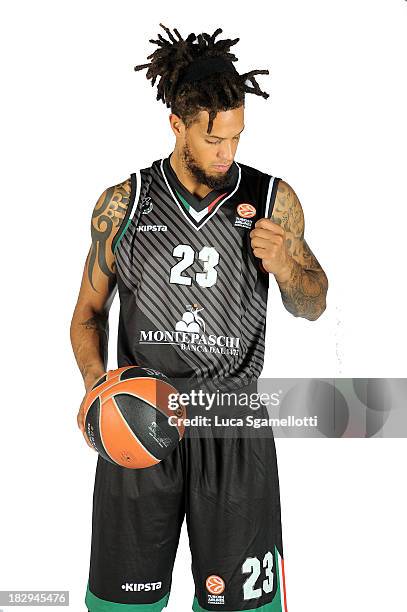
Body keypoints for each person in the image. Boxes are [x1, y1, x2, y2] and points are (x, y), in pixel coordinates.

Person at [70, 23, 328, 612]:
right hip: (142, 414)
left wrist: (290, 266)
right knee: (122, 604)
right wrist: (97, 392)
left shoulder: (271, 199)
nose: (227, 152)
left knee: (241, 606)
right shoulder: (123, 203)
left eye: (236, 137)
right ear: (177, 125)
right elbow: (87, 313)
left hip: (233, 418)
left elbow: (313, 303)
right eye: (214, 139)